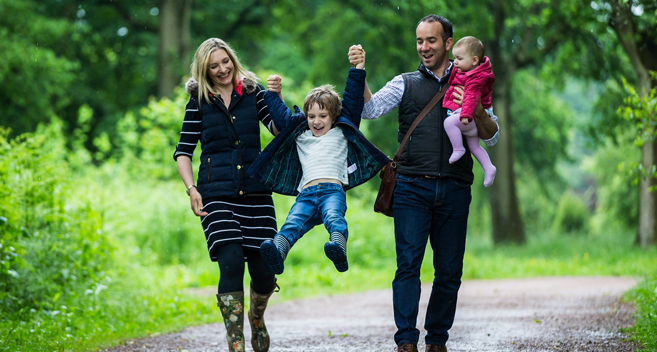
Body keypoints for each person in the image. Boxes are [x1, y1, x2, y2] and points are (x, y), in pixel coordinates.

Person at [348, 15, 500, 352]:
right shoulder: (404, 82)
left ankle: (437, 341)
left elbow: (492, 137)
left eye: (431, 40)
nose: (424, 47)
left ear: (448, 43)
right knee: (408, 266)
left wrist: (475, 111)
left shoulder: (475, 81)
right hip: (411, 188)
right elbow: (371, 110)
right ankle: (405, 341)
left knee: (448, 271)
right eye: (419, 41)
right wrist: (360, 74)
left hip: (456, 189)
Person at [174, 38, 280, 352]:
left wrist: (276, 98)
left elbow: (277, 128)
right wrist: (191, 189)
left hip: (256, 192)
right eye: (214, 66)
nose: (222, 69)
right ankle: (236, 343)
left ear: (232, 59)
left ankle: (257, 318)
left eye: (225, 62)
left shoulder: (253, 91)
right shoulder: (198, 101)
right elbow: (183, 152)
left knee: (264, 272)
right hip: (216, 193)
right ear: (204, 70)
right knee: (231, 260)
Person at [247, 50, 389, 276]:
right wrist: (273, 92)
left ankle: (338, 247)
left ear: (333, 116)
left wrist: (358, 68)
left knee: (334, 217)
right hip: (306, 194)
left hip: (332, 191)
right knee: (292, 223)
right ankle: (277, 252)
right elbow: (282, 117)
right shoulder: (301, 134)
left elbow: (352, 98)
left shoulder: (342, 130)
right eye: (311, 116)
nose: (316, 121)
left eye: (322, 116)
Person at [442, 36, 496, 187]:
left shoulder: (476, 78)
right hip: (468, 121)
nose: (455, 62)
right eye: (454, 58)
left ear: (474, 60)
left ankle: (458, 148)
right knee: (474, 147)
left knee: (449, 123)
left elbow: (471, 97)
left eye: (459, 58)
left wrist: (465, 115)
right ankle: (489, 167)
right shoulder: (467, 71)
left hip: (468, 118)